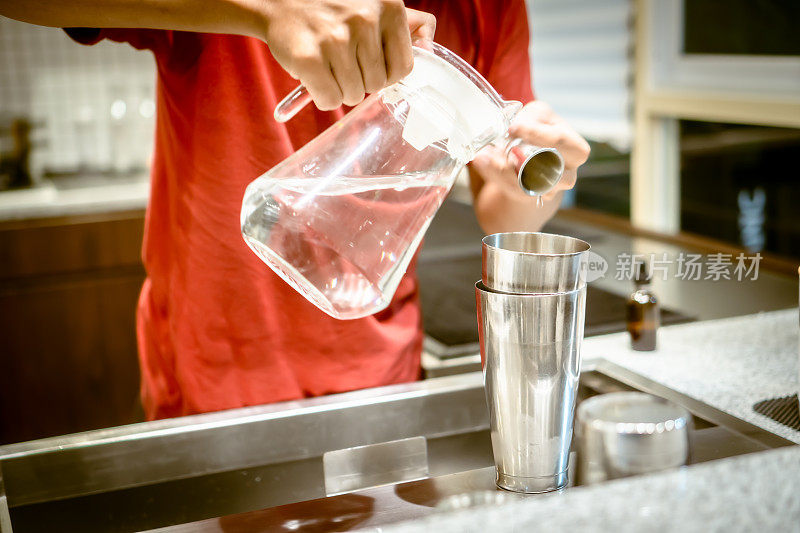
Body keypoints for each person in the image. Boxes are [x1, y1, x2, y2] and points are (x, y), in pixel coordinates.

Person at [2, 0, 589, 420]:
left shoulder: (491, 8)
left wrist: (538, 173)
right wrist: (264, 10)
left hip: (377, 373)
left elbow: (504, 216)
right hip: (214, 370)